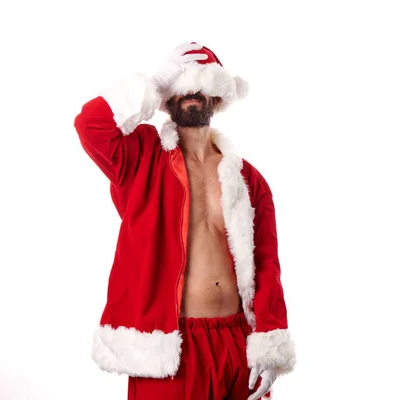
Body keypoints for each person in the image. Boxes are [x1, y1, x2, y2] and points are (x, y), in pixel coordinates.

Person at [74, 42, 296, 400]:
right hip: (170, 349)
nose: (190, 92)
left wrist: (270, 343)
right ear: (165, 98)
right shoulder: (140, 157)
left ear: (218, 98)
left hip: (236, 346)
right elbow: (90, 125)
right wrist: (155, 80)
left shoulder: (249, 181)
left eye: (201, 84)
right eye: (180, 84)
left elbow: (267, 266)